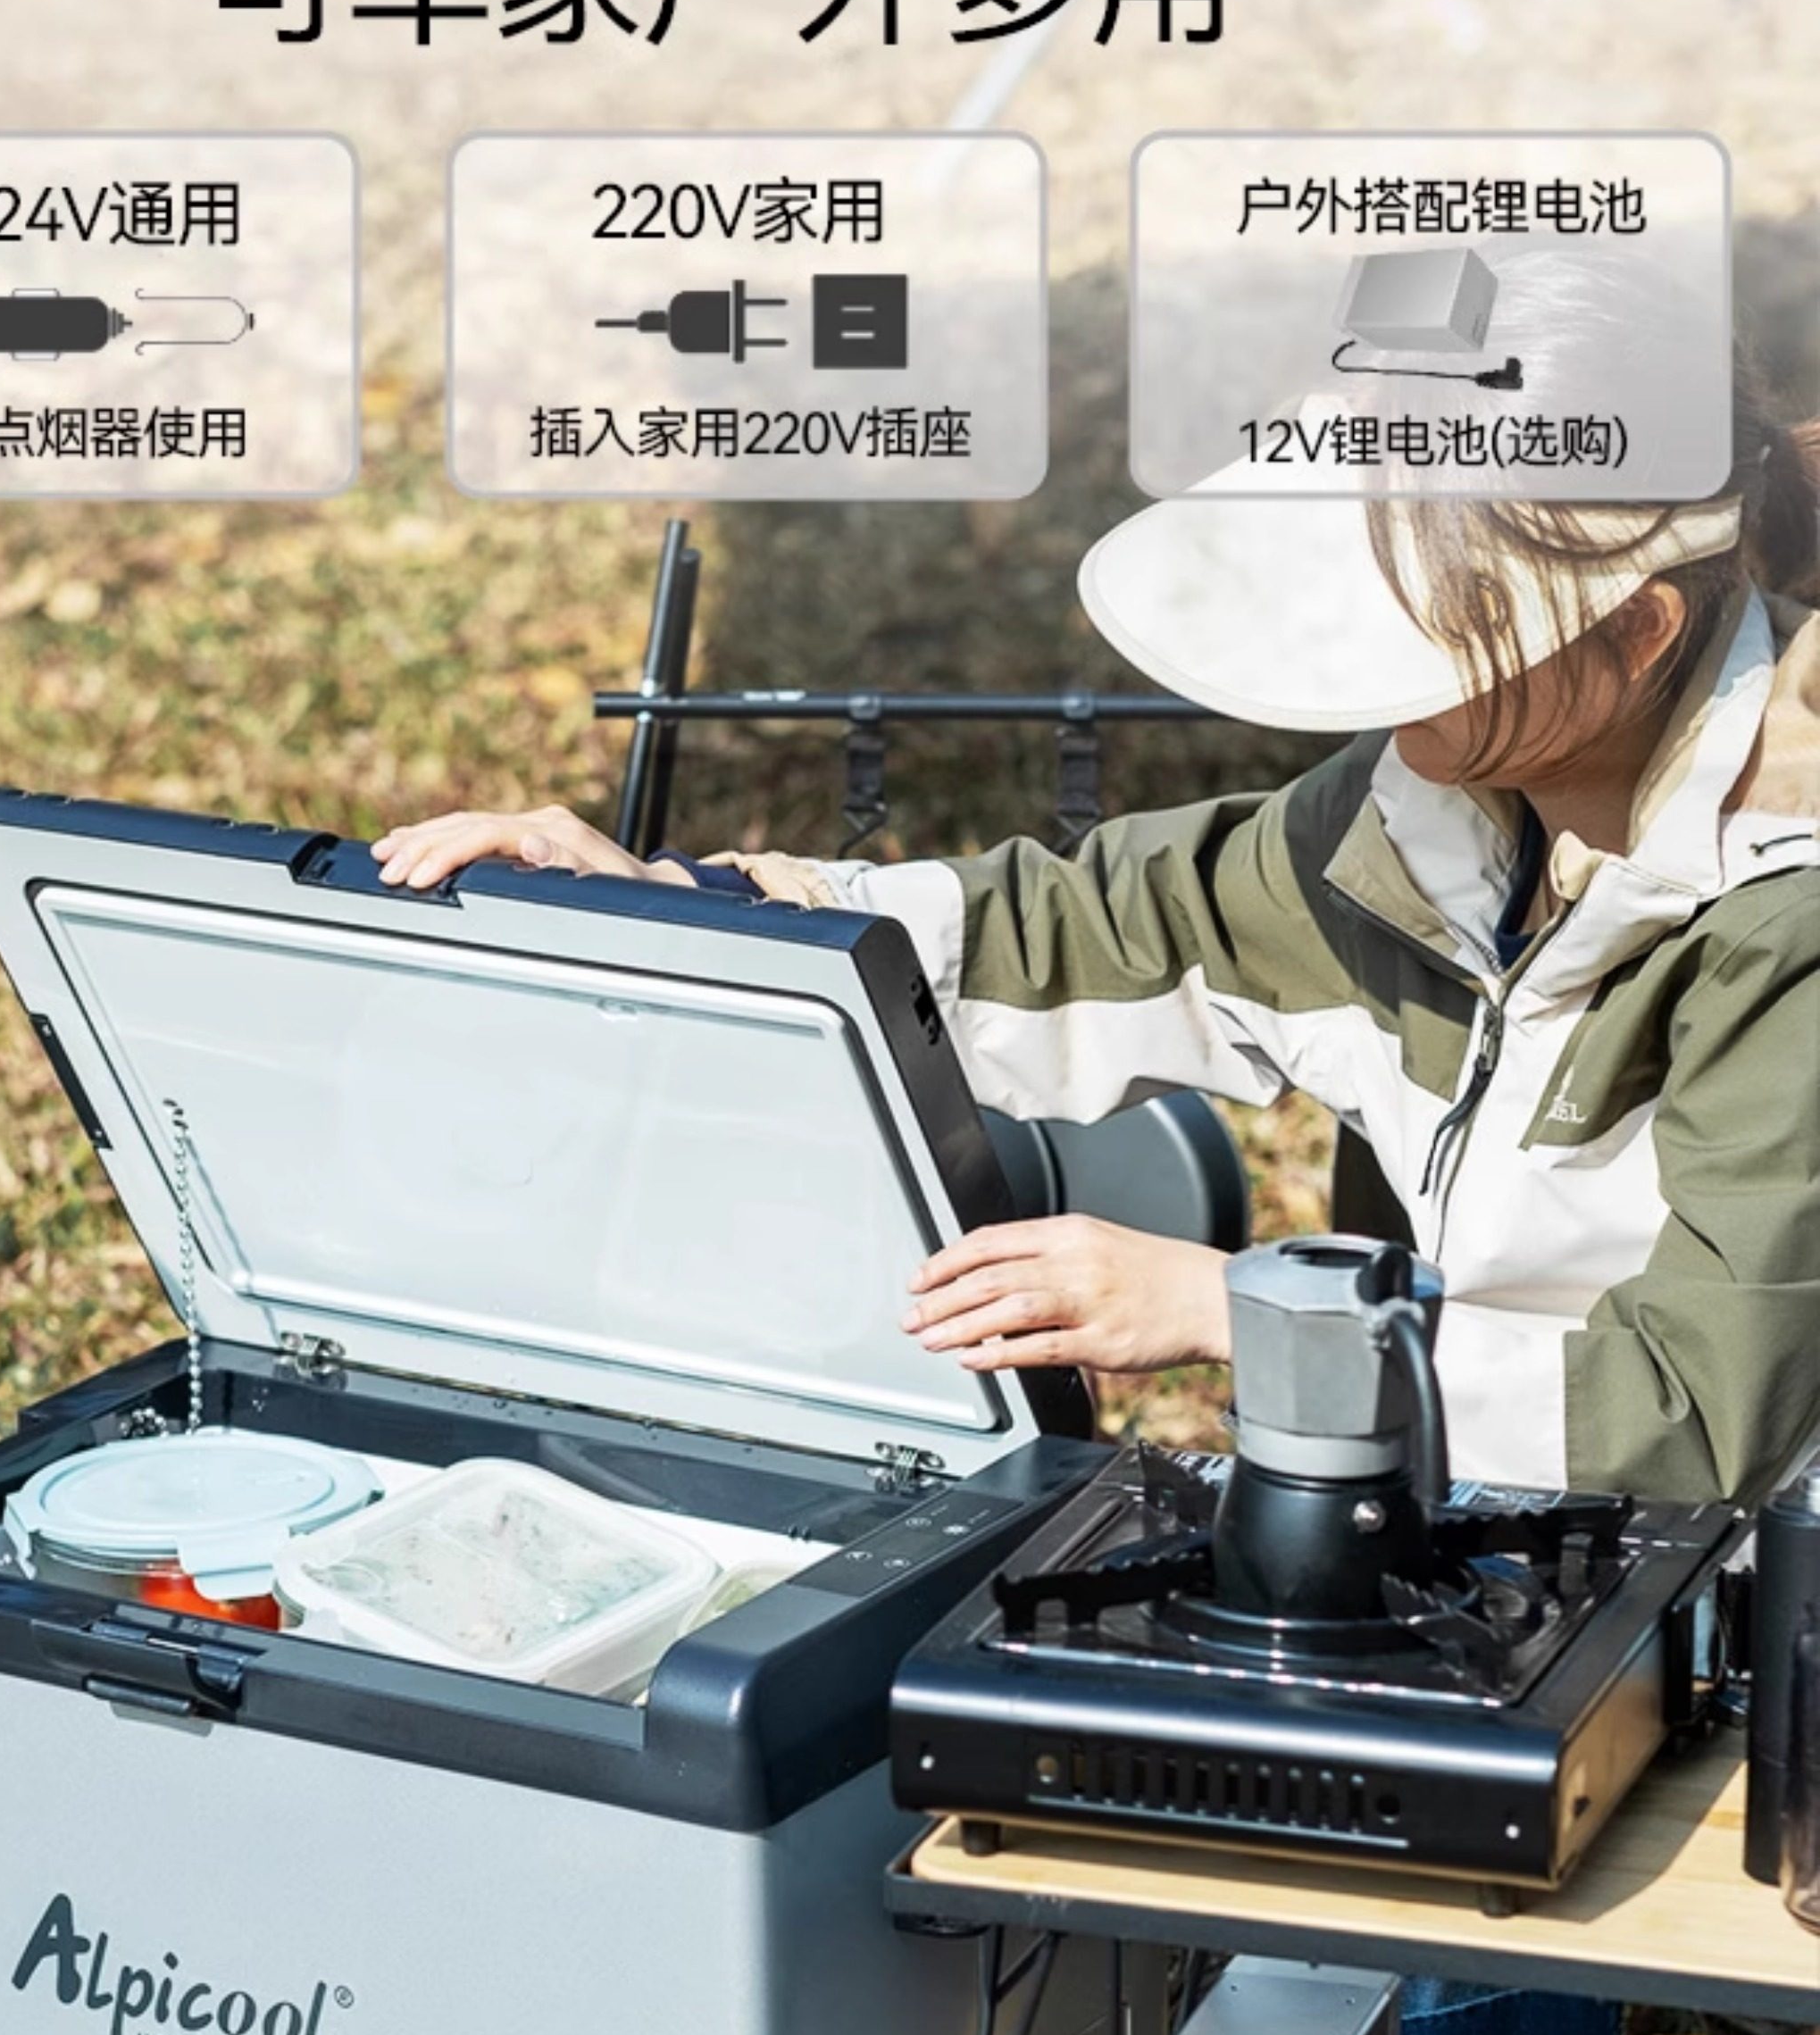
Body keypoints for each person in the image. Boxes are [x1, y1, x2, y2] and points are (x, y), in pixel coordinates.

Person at [374, 364, 1820, 1513]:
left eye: (1420, 630)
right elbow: (1099, 927)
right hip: (1506, 1521)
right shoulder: (1444, 814)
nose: (1372, 676)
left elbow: (1704, 1422)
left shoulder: (1785, 917)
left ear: (1636, 632)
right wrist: (690, 911)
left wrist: (1228, 1308)